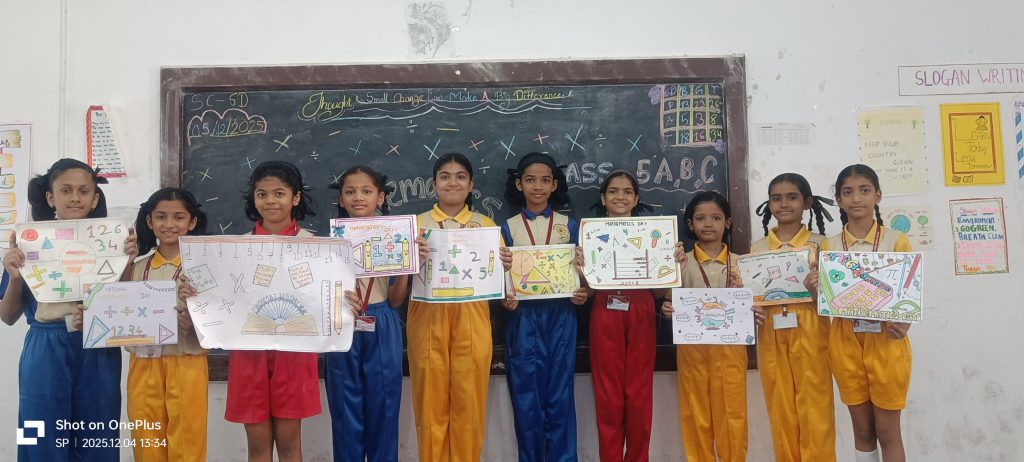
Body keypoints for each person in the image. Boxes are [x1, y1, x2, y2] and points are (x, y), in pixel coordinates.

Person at [179, 160, 321, 462]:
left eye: (279, 193)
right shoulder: (234, 248)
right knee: (257, 446)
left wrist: (342, 302)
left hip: (294, 354)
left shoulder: (317, 247)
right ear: (253, 199)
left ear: (295, 198)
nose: (270, 201)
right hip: (247, 354)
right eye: (262, 194)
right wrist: (195, 296)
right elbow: (218, 299)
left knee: (289, 444)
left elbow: (324, 299)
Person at [1, 159, 133, 461]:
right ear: (50, 197)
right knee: (38, 431)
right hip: (45, 344)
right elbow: (7, 317)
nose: (75, 197)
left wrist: (126, 262)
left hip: (97, 345)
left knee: (98, 433)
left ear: (95, 199)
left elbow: (124, 307)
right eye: (66, 190)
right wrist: (15, 277)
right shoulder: (27, 244)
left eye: (84, 191)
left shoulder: (116, 242)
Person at [408, 153, 499, 461]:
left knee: (468, 402)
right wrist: (412, 258)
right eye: (444, 176)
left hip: (472, 316)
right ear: (434, 184)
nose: (452, 182)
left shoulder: (486, 226)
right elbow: (399, 277)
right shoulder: (415, 226)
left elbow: (499, 281)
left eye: (460, 176)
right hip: (427, 316)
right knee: (429, 403)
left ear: (471, 184)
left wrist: (504, 266)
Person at [821, 164, 913, 462]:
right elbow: (826, 296)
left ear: (878, 196)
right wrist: (815, 286)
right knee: (862, 431)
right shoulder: (829, 245)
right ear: (838, 199)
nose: (856, 198)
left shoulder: (895, 241)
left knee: (888, 432)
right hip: (845, 339)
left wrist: (904, 323)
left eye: (864, 190)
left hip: (886, 340)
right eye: (847, 192)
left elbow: (909, 293)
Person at [498, 153, 583, 462]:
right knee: (527, 397)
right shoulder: (506, 228)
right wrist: (505, 297)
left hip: (561, 315)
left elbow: (582, 273)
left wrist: (583, 292)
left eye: (545, 180)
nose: (538, 186)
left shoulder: (569, 226)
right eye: (530, 180)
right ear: (519, 184)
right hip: (523, 317)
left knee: (560, 394)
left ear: (554, 185)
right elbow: (499, 278)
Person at [324, 165, 409, 462]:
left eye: (366, 191)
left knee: (384, 407)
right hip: (343, 322)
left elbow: (396, 301)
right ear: (341, 199)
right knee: (344, 408)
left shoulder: (395, 237)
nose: (358, 197)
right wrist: (336, 298)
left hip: (381, 319)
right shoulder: (329, 241)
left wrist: (407, 266)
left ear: (380, 197)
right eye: (350, 192)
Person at [751, 173, 836, 462]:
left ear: (807, 202)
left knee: (815, 410)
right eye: (776, 198)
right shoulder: (757, 249)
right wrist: (751, 307)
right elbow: (753, 295)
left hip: (812, 330)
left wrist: (816, 291)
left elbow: (835, 299)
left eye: (792, 197)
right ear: (769, 204)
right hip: (770, 331)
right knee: (780, 410)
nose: (784, 204)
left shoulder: (822, 244)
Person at [660, 191, 746, 462]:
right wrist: (666, 309)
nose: (708, 224)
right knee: (695, 415)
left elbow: (753, 306)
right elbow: (668, 300)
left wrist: (747, 300)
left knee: (732, 415)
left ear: (728, 223)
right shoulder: (681, 262)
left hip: (731, 350)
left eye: (716, 218)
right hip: (692, 350)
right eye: (700, 218)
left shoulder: (742, 263)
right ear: (690, 224)